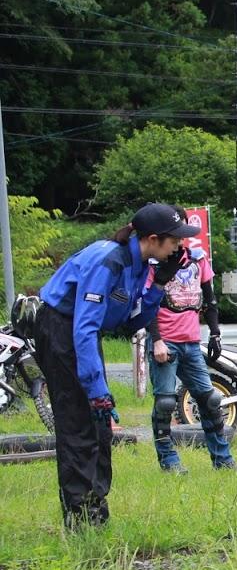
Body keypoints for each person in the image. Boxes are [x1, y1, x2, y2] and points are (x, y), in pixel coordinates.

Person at [33, 203, 193, 529]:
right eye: (174, 239)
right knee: (80, 423)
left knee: (100, 425)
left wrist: (159, 285)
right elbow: (84, 328)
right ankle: (80, 521)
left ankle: (96, 513)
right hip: (62, 329)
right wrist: (97, 389)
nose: (180, 246)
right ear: (152, 238)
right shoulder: (108, 260)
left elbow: (130, 323)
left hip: (83, 333)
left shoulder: (139, 265)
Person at [147, 217, 236, 474]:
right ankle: (169, 461)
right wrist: (156, 340)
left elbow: (209, 300)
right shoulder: (153, 264)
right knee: (165, 402)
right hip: (165, 342)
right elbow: (148, 304)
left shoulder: (198, 259)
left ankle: (223, 459)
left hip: (191, 341)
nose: (180, 240)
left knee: (210, 399)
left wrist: (216, 333)